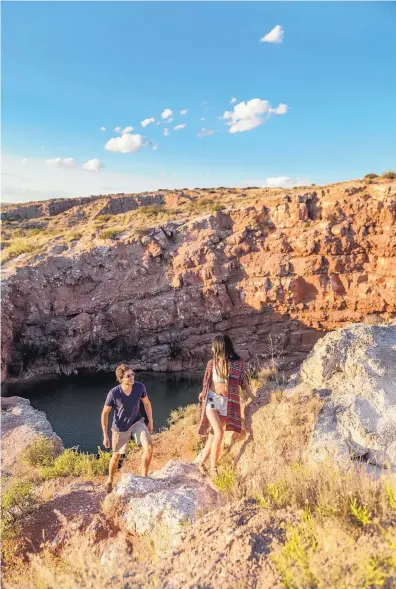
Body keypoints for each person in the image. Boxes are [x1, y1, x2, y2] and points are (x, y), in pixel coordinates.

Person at [196, 334, 252, 477]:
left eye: (214, 346)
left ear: (220, 347)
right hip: (212, 401)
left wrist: (253, 397)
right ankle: (214, 469)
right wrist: (203, 393)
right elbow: (206, 382)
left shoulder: (237, 364)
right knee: (219, 432)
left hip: (228, 403)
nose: (212, 349)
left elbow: (243, 381)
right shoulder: (211, 364)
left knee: (213, 436)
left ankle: (201, 462)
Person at [101, 363, 153, 493]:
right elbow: (105, 413)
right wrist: (105, 435)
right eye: (128, 376)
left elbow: (146, 403)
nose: (132, 377)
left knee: (149, 447)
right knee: (116, 456)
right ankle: (110, 480)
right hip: (120, 428)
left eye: (132, 374)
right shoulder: (114, 393)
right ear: (121, 378)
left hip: (137, 422)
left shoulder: (139, 387)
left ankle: (144, 476)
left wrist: (150, 421)